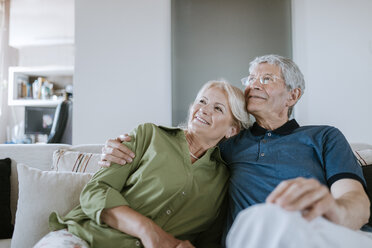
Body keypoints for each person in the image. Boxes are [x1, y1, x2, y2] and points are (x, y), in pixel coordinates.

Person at [101, 55, 372, 247]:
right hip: (252, 237)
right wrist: (121, 147)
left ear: (292, 96)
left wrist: (333, 210)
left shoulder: (324, 136)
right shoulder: (228, 142)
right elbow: (180, 143)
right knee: (265, 217)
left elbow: (356, 203)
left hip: (320, 232)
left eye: (266, 78)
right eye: (251, 78)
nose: (254, 84)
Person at [34, 80, 250, 248]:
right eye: (202, 101)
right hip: (88, 238)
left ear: (232, 130)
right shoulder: (149, 135)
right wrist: (147, 230)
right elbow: (95, 192)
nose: (204, 109)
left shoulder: (222, 180)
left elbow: (208, 241)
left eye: (218, 108)